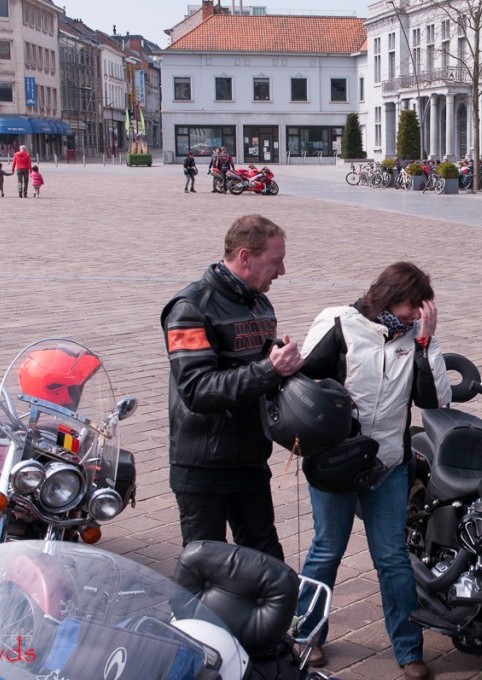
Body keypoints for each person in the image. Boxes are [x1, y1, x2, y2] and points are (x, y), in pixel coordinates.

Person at [298, 262, 451, 680]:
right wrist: (331, 403)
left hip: (388, 464)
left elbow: (435, 400)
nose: (415, 315)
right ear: (389, 297)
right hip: (336, 462)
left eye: (421, 308)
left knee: (393, 558)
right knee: (327, 549)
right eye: (411, 306)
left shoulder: (415, 338)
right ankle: (306, 635)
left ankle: (408, 649)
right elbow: (302, 382)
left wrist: (426, 343)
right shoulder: (339, 324)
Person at [160, 214, 303, 559]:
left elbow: (256, 366)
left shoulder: (259, 301)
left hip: (249, 457)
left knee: (266, 560)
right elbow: (197, 389)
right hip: (203, 464)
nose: (282, 271)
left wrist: (287, 368)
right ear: (245, 257)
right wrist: (270, 368)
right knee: (205, 564)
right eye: (276, 261)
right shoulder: (189, 309)